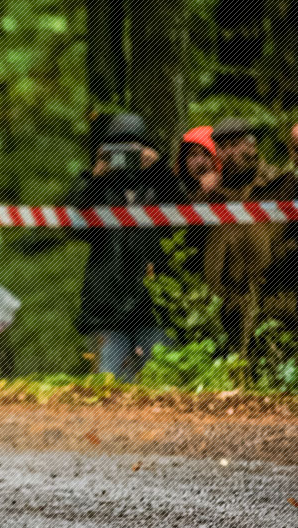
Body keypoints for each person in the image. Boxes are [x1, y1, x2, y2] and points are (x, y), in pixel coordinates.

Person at [67, 112, 179, 381]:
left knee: (161, 384)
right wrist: (95, 177)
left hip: (153, 306)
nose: (124, 158)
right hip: (107, 308)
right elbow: (71, 224)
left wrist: (159, 170)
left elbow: (183, 218)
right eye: (117, 150)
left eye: (131, 149)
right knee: (109, 387)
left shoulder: (159, 183)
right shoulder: (99, 188)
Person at [197, 118, 298, 354]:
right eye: (222, 147)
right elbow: (189, 244)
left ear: (251, 145)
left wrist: (277, 260)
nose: (228, 153)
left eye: (234, 144)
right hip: (224, 309)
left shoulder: (283, 184)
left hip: (276, 302)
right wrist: (203, 194)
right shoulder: (212, 196)